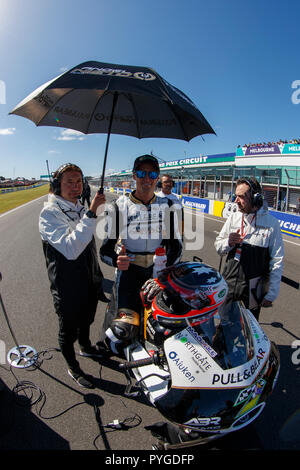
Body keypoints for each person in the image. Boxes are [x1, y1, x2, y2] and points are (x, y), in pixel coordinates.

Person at [99, 155, 183, 354]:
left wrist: (165, 271)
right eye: (141, 173)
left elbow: (177, 247)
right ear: (134, 176)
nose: (147, 178)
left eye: (152, 174)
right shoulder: (119, 207)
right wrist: (116, 261)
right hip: (129, 277)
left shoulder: (168, 206)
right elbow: (104, 251)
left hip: (156, 276)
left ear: (158, 178)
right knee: (125, 332)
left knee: (158, 330)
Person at [39, 163, 107, 388]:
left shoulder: (80, 205)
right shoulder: (49, 212)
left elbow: (90, 244)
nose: (75, 185)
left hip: (87, 276)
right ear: (57, 185)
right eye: (69, 181)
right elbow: (71, 249)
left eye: (79, 181)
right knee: (68, 329)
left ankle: (86, 346)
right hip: (65, 283)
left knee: (87, 316)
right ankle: (73, 367)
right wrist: (90, 213)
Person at [215, 177, 284, 320]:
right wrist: (228, 242)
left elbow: (277, 261)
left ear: (256, 198)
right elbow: (218, 246)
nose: (235, 201)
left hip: (253, 290)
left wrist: (271, 293)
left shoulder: (271, 224)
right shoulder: (233, 218)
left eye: (241, 197)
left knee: (249, 330)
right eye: (236, 196)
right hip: (229, 284)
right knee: (224, 325)